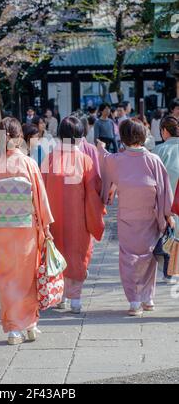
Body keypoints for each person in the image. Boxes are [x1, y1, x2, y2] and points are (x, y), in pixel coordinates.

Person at [0, 117, 53, 345]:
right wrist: (45, 227)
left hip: (3, 230)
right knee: (27, 277)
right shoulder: (28, 164)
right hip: (26, 229)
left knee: (6, 278)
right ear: (18, 139)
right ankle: (30, 325)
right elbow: (40, 201)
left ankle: (13, 330)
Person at [98, 118, 174, 316]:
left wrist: (100, 148)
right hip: (150, 216)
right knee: (148, 258)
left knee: (128, 259)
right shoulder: (153, 160)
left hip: (127, 217)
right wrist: (167, 215)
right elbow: (165, 190)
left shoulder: (116, 160)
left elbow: (105, 160)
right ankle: (147, 298)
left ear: (122, 137)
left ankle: (134, 300)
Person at [42, 117, 105, 313]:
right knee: (77, 255)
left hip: (53, 219)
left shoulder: (49, 158)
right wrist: (97, 217)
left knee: (56, 254)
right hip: (78, 219)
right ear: (80, 137)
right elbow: (93, 195)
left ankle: (60, 296)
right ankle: (75, 299)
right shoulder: (84, 160)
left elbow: (40, 190)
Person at [153, 116, 179, 283]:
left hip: (165, 202)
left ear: (164, 131)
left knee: (170, 234)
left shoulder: (158, 151)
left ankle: (170, 272)